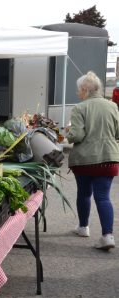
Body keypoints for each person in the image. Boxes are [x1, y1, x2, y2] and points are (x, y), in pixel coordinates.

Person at [66, 71, 119, 250]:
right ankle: (108, 236)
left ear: (84, 89)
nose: (78, 93)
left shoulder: (80, 108)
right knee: (103, 197)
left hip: (85, 160)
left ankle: (83, 227)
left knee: (84, 193)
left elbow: (77, 135)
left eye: (78, 89)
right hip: (108, 159)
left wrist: (68, 132)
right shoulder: (112, 106)